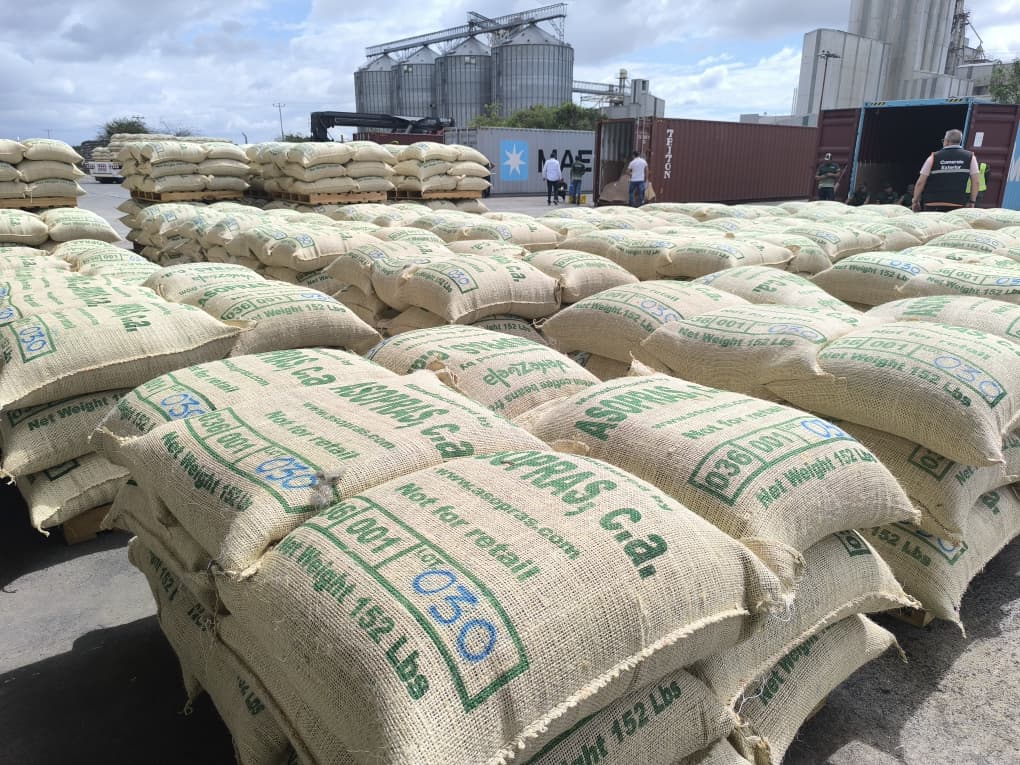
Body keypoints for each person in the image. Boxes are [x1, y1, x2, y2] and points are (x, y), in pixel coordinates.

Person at [911, 128, 981, 212]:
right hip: (957, 204)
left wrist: (915, 201)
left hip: (932, 204)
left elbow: (920, 182)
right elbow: (976, 182)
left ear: (947, 141)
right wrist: (972, 201)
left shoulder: (933, 157)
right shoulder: (970, 157)